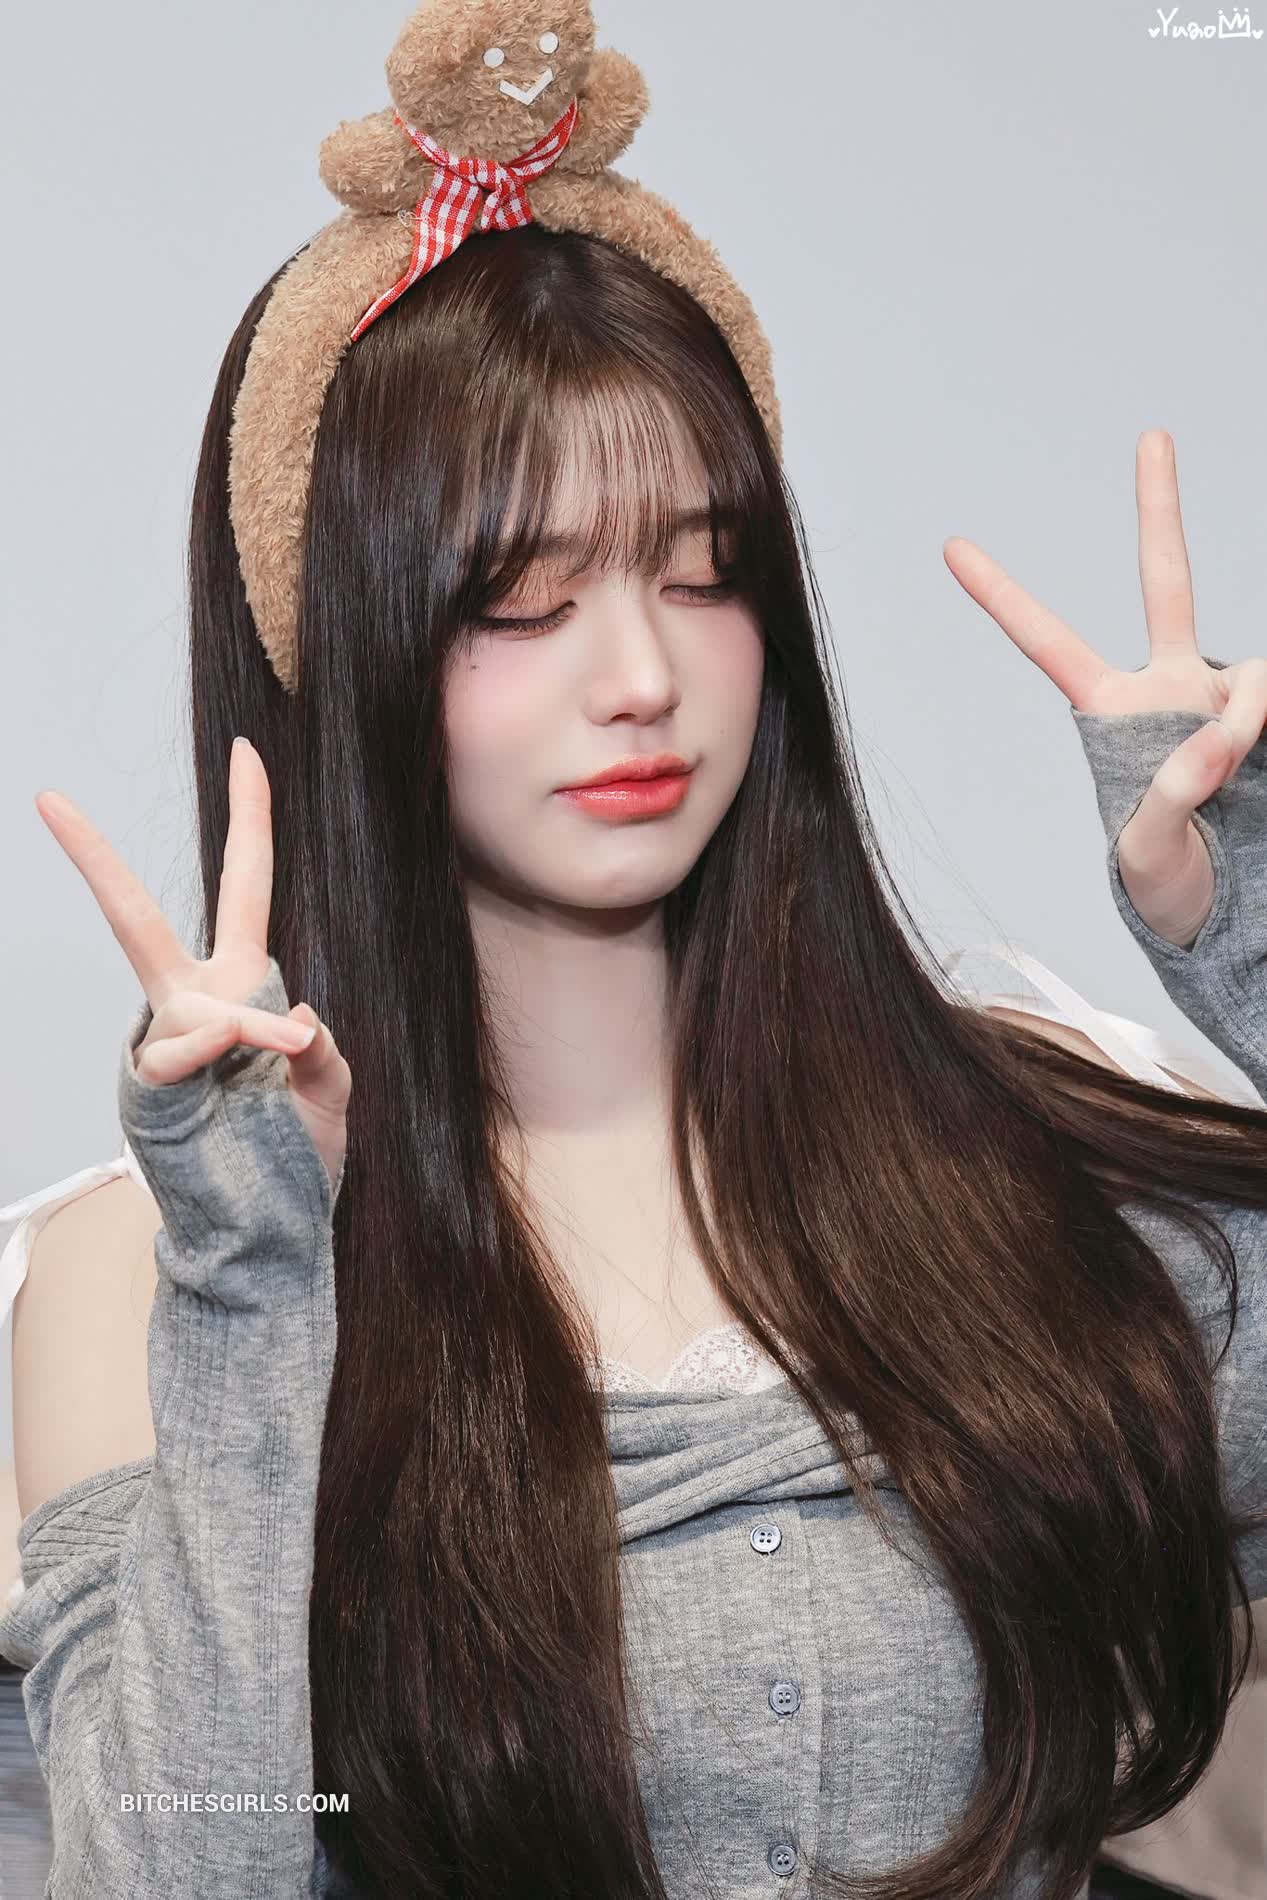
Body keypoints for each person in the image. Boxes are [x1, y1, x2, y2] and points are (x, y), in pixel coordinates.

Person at [2, 4, 1267, 1896]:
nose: (645, 676)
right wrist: (258, 1286)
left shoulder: (1014, 1145)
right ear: (350, 651)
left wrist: (1241, 939)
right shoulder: (149, 1271)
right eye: (524, 599)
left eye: (701, 573)